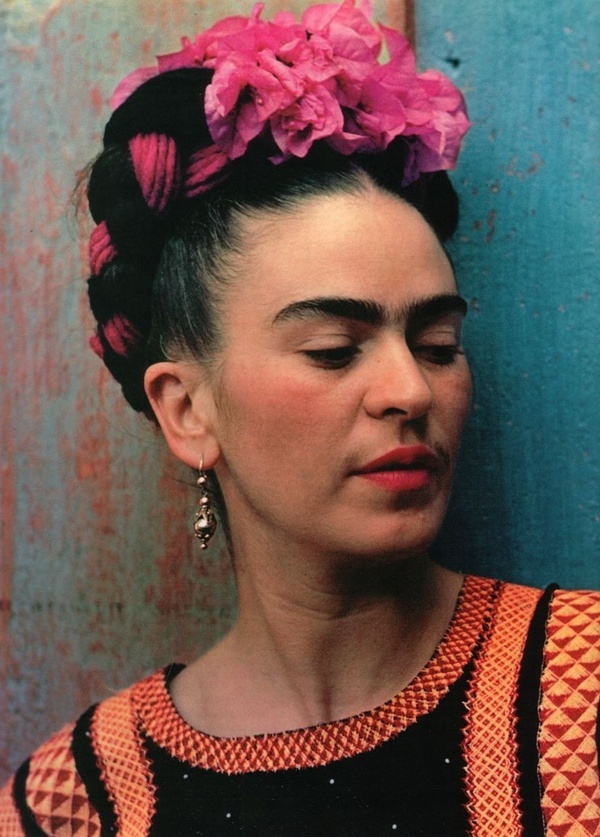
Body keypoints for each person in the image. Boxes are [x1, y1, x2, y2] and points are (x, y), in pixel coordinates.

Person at [0, 2, 598, 835]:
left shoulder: (584, 693)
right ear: (187, 409)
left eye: (435, 343)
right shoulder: (78, 804)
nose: (411, 392)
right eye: (332, 348)